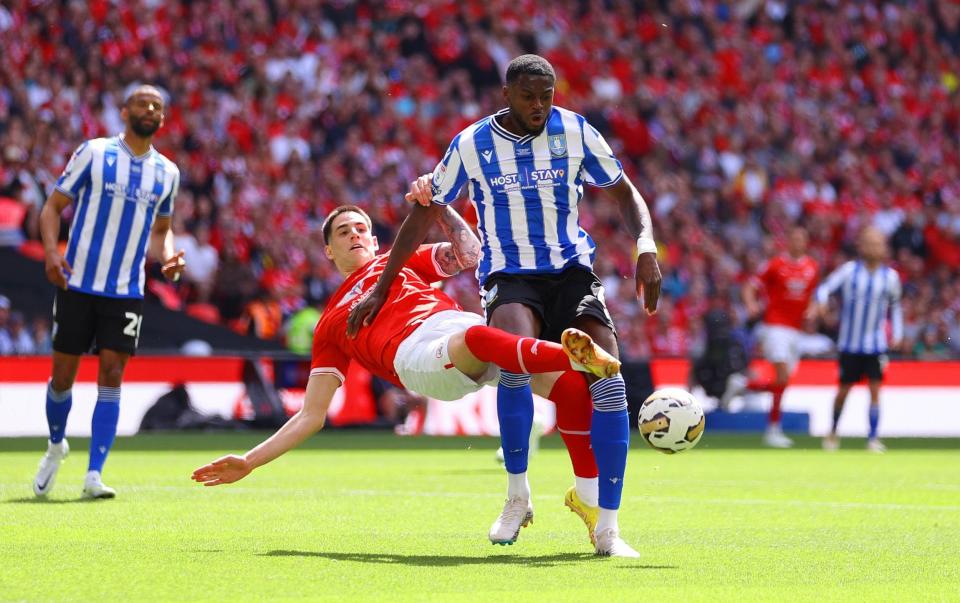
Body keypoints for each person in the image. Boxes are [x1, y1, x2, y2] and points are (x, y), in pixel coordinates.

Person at [347, 55, 661, 557]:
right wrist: (382, 285)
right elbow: (423, 212)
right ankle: (517, 497)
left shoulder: (576, 131)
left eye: (547, 96)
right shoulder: (472, 143)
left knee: (609, 380)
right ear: (507, 95)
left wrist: (645, 244)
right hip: (510, 275)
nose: (539, 106)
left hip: (571, 272)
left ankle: (608, 528)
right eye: (528, 96)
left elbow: (625, 193)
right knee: (512, 358)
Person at [192, 205, 624, 553]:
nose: (354, 235)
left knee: (570, 393)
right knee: (483, 337)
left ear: (376, 240)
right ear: (327, 250)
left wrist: (439, 207)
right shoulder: (330, 323)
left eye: (361, 228)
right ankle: (577, 358)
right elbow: (310, 415)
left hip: (459, 327)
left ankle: (586, 497)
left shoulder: (399, 263)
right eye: (343, 232)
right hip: (419, 356)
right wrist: (249, 461)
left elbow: (471, 255)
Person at [33, 84, 185, 499]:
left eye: (157, 105)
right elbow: (52, 207)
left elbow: (161, 232)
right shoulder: (95, 153)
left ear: (163, 119)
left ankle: (94, 474)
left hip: (125, 289)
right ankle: (55, 445)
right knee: (62, 377)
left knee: (112, 374)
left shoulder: (167, 173)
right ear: (124, 111)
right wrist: (51, 252)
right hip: (77, 282)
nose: (150, 108)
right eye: (142, 102)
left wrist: (168, 257)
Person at [723, 227, 818, 447]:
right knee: (783, 377)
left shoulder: (812, 267)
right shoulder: (776, 265)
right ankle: (773, 430)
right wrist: (751, 303)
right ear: (787, 242)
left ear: (806, 243)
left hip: (796, 332)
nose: (797, 242)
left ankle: (744, 384)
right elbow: (750, 286)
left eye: (801, 238)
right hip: (775, 327)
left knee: (781, 382)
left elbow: (812, 296)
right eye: (793, 238)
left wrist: (813, 310)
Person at [812, 227, 903, 453]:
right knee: (844, 391)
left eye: (878, 243)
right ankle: (833, 431)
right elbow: (824, 287)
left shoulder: (890, 277)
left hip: (876, 344)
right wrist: (822, 302)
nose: (874, 247)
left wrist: (898, 333)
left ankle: (872, 438)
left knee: (875, 390)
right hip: (849, 344)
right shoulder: (849, 271)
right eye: (869, 243)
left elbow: (896, 306)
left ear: (884, 248)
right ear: (860, 246)